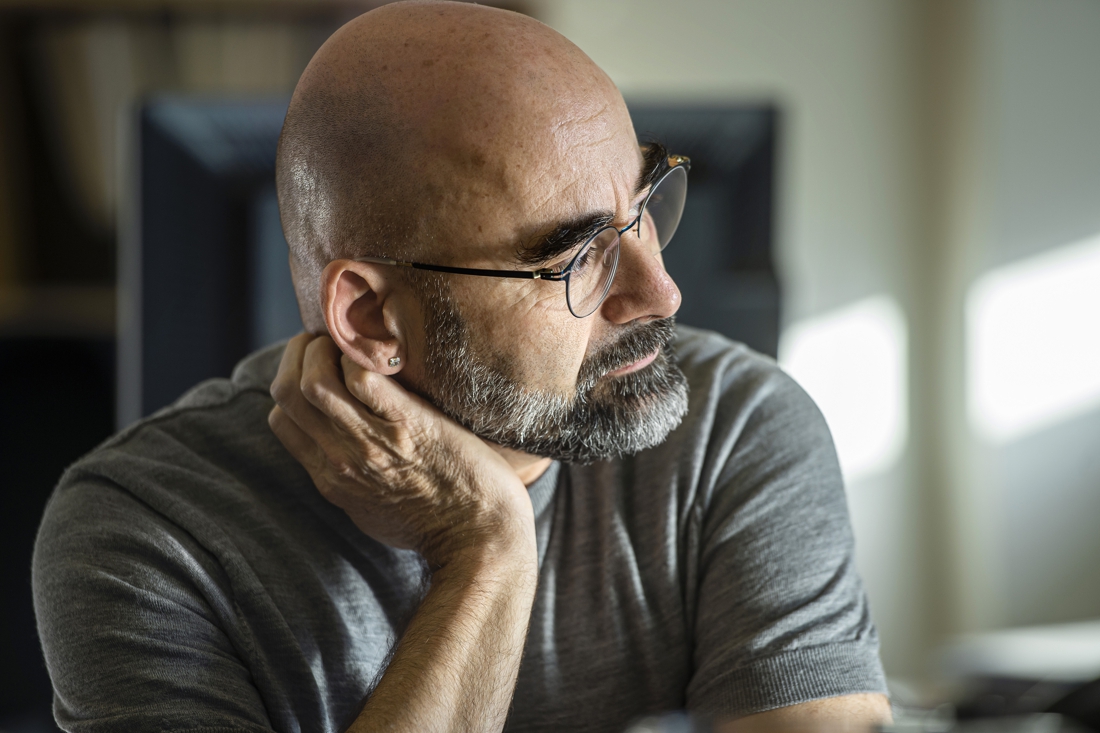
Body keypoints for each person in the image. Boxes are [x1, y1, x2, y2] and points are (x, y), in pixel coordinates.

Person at [32, 2, 891, 731]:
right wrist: (486, 551)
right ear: (370, 317)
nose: (661, 292)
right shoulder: (142, 535)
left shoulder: (733, 428)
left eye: (644, 206)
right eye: (578, 255)